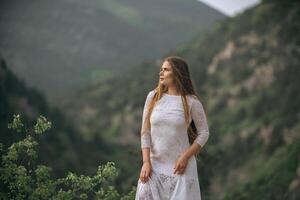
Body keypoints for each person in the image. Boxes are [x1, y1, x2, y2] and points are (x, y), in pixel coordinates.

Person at [134, 56, 210, 200]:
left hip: (181, 169)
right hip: (154, 167)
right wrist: (146, 162)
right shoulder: (153, 97)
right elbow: (145, 132)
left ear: (177, 73)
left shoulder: (191, 102)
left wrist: (186, 156)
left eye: (166, 70)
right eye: (161, 69)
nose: (161, 73)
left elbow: (204, 132)